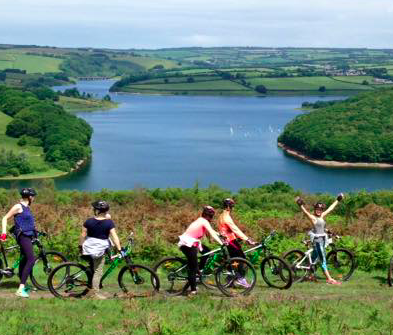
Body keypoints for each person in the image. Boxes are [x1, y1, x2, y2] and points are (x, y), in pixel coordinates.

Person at [296, 193, 344, 285]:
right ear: (315, 210)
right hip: (318, 242)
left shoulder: (321, 216)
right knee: (323, 260)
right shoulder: (313, 218)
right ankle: (329, 279)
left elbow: (330, 209)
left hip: (321, 240)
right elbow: (305, 213)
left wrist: (338, 200)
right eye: (317, 209)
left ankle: (309, 275)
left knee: (314, 258)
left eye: (320, 209)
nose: (319, 211)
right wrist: (300, 204)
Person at [79, 200, 123, 299]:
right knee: (98, 271)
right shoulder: (109, 223)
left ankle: (90, 286)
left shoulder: (88, 221)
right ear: (106, 211)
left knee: (93, 268)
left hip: (88, 249)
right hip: (99, 250)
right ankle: (95, 293)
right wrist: (119, 249)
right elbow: (114, 237)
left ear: (97, 211)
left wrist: (80, 246)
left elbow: (83, 235)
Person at [178, 205, 223, 295]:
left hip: (192, 242)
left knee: (207, 252)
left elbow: (212, 231)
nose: (211, 218)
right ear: (207, 215)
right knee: (192, 268)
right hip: (188, 244)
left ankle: (200, 270)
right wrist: (222, 243)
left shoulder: (201, 220)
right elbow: (211, 233)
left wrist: (220, 235)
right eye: (211, 216)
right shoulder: (204, 221)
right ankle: (193, 290)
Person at [1, 188, 38, 298]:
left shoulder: (27, 207)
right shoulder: (18, 206)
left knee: (24, 258)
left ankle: (23, 283)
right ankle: (20, 289)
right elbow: (5, 218)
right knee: (31, 259)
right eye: (33, 196)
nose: (34, 198)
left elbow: (27, 222)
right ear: (30, 197)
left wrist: (36, 232)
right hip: (22, 236)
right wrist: (3, 233)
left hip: (28, 235)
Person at [218, 198, 255, 287]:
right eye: (232, 206)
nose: (232, 208)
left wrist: (241, 238)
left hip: (227, 241)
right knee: (242, 259)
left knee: (234, 260)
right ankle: (240, 278)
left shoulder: (221, 216)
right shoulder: (226, 217)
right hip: (231, 241)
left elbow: (229, 230)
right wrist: (247, 239)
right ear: (228, 207)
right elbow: (235, 229)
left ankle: (230, 279)